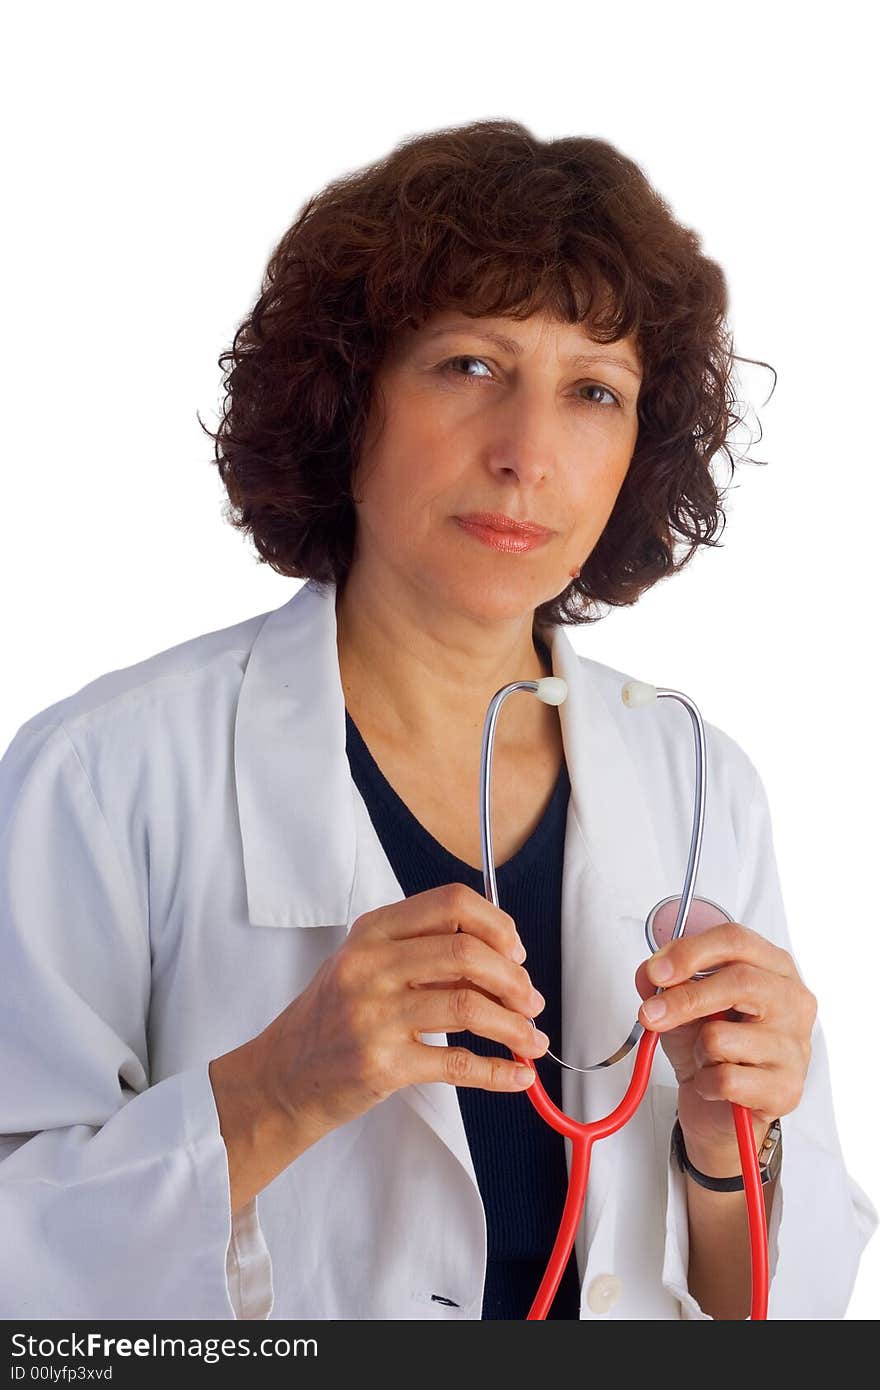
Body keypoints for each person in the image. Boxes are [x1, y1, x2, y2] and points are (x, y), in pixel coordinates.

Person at [0, 119, 875, 1323]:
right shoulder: (106, 777)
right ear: (346, 397)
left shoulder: (698, 785)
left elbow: (778, 1308)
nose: (528, 454)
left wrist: (731, 1153)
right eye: (469, 365)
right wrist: (275, 1087)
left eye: (592, 391)